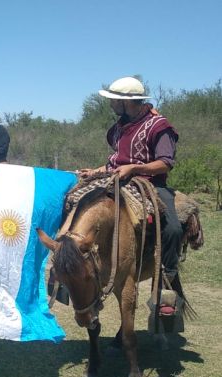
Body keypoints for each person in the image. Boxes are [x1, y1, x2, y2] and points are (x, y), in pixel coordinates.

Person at [80, 76, 184, 302]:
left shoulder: (159, 126)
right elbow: (116, 161)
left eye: (114, 100)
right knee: (73, 202)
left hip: (150, 183)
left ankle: (167, 281)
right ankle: (68, 269)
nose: (111, 104)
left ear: (127, 102)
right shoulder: (117, 128)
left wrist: (135, 168)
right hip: (115, 179)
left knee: (173, 229)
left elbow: (165, 163)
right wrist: (96, 171)